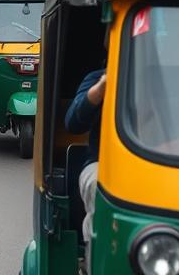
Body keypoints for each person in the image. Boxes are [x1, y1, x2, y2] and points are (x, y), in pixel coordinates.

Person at [65, 68, 106, 271]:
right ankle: (93, 264)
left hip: (168, 166)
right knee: (98, 188)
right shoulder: (98, 78)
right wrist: (101, 89)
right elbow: (72, 123)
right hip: (103, 162)